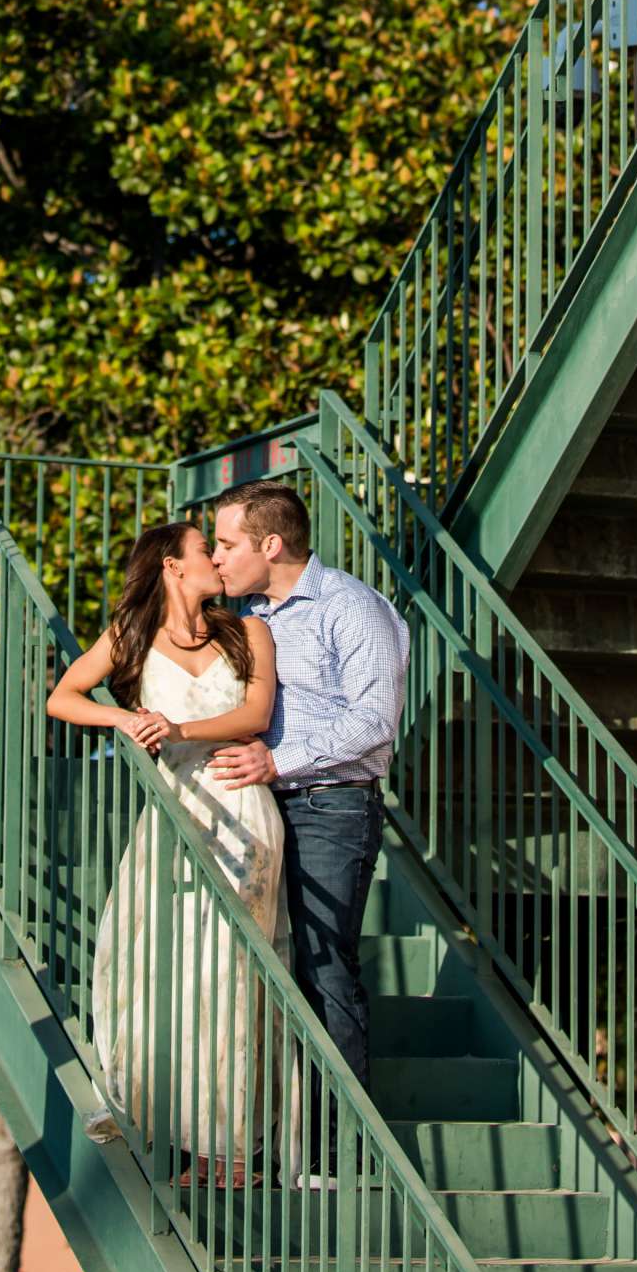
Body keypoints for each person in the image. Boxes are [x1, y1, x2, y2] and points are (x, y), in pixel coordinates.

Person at [46, 521, 286, 1185]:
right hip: (173, 812)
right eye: (204, 549)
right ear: (173, 567)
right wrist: (123, 718)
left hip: (240, 804)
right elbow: (62, 697)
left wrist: (176, 727)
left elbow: (256, 714)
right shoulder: (129, 638)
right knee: (150, 959)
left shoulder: (247, 632)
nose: (215, 557)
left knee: (232, 973)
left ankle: (231, 1149)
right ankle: (156, 1114)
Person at [210, 481, 409, 1125]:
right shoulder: (247, 618)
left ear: (270, 544)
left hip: (331, 809)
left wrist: (277, 760)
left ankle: (336, 1148)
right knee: (244, 973)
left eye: (226, 543)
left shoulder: (352, 608)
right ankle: (258, 1134)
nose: (216, 558)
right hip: (256, 809)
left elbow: (375, 720)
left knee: (322, 966)